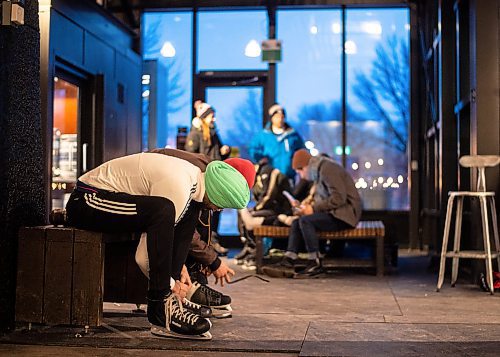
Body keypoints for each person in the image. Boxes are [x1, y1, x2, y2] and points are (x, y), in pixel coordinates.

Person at [65, 152, 250, 340]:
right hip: (87, 200)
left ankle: (175, 296)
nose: (219, 210)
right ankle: (161, 311)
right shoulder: (178, 185)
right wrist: (170, 284)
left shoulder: (192, 181)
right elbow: (144, 258)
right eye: (221, 206)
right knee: (163, 210)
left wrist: (177, 273)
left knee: (189, 211)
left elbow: (168, 236)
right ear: (219, 197)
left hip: (111, 199)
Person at [135, 148, 256, 318]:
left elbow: (199, 226)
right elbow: (181, 227)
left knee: (193, 218)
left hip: (149, 189)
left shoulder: (207, 173)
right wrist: (212, 261)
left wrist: (206, 261)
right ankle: (178, 295)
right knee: (187, 220)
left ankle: (190, 284)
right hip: (138, 191)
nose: (221, 209)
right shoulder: (197, 174)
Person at [267, 149, 362, 277]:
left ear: (305, 166)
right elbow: (323, 200)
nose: (300, 176)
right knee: (297, 222)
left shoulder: (327, 169)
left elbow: (338, 198)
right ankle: (289, 260)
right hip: (335, 213)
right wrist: (304, 208)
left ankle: (315, 262)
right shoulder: (320, 171)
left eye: (299, 171)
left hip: (345, 215)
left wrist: (313, 209)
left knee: (306, 221)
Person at [185, 100, 231, 255]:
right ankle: (205, 244)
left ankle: (211, 241)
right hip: (204, 177)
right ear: (204, 117)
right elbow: (190, 155)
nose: (214, 119)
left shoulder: (212, 132)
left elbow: (217, 153)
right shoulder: (196, 134)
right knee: (206, 210)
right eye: (211, 116)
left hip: (214, 176)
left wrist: (225, 152)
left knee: (216, 209)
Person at [249, 103, 305, 179]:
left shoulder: (292, 135)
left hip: (289, 175)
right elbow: (253, 149)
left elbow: (301, 150)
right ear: (272, 118)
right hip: (270, 176)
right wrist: (260, 158)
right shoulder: (263, 135)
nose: (280, 119)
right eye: (277, 117)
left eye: (282, 117)